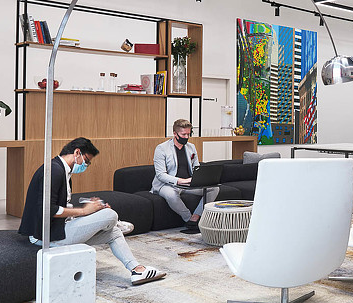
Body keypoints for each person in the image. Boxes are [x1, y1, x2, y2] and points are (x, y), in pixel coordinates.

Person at [18, 137, 165, 286]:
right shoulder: (54, 171)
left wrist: (91, 210)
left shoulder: (63, 171)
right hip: (46, 236)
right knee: (110, 215)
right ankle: (112, 222)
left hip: (57, 229)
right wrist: (84, 212)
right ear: (77, 153)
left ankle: (137, 270)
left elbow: (61, 206)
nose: (86, 165)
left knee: (113, 232)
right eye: (86, 161)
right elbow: (48, 210)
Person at [152, 119, 220, 232]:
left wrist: (199, 178)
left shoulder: (191, 147)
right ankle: (189, 219)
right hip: (167, 185)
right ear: (175, 133)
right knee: (171, 195)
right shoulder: (161, 148)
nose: (186, 137)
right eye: (183, 134)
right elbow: (160, 175)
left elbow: (196, 167)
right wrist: (180, 181)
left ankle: (196, 217)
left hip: (189, 184)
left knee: (214, 188)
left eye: (188, 134)